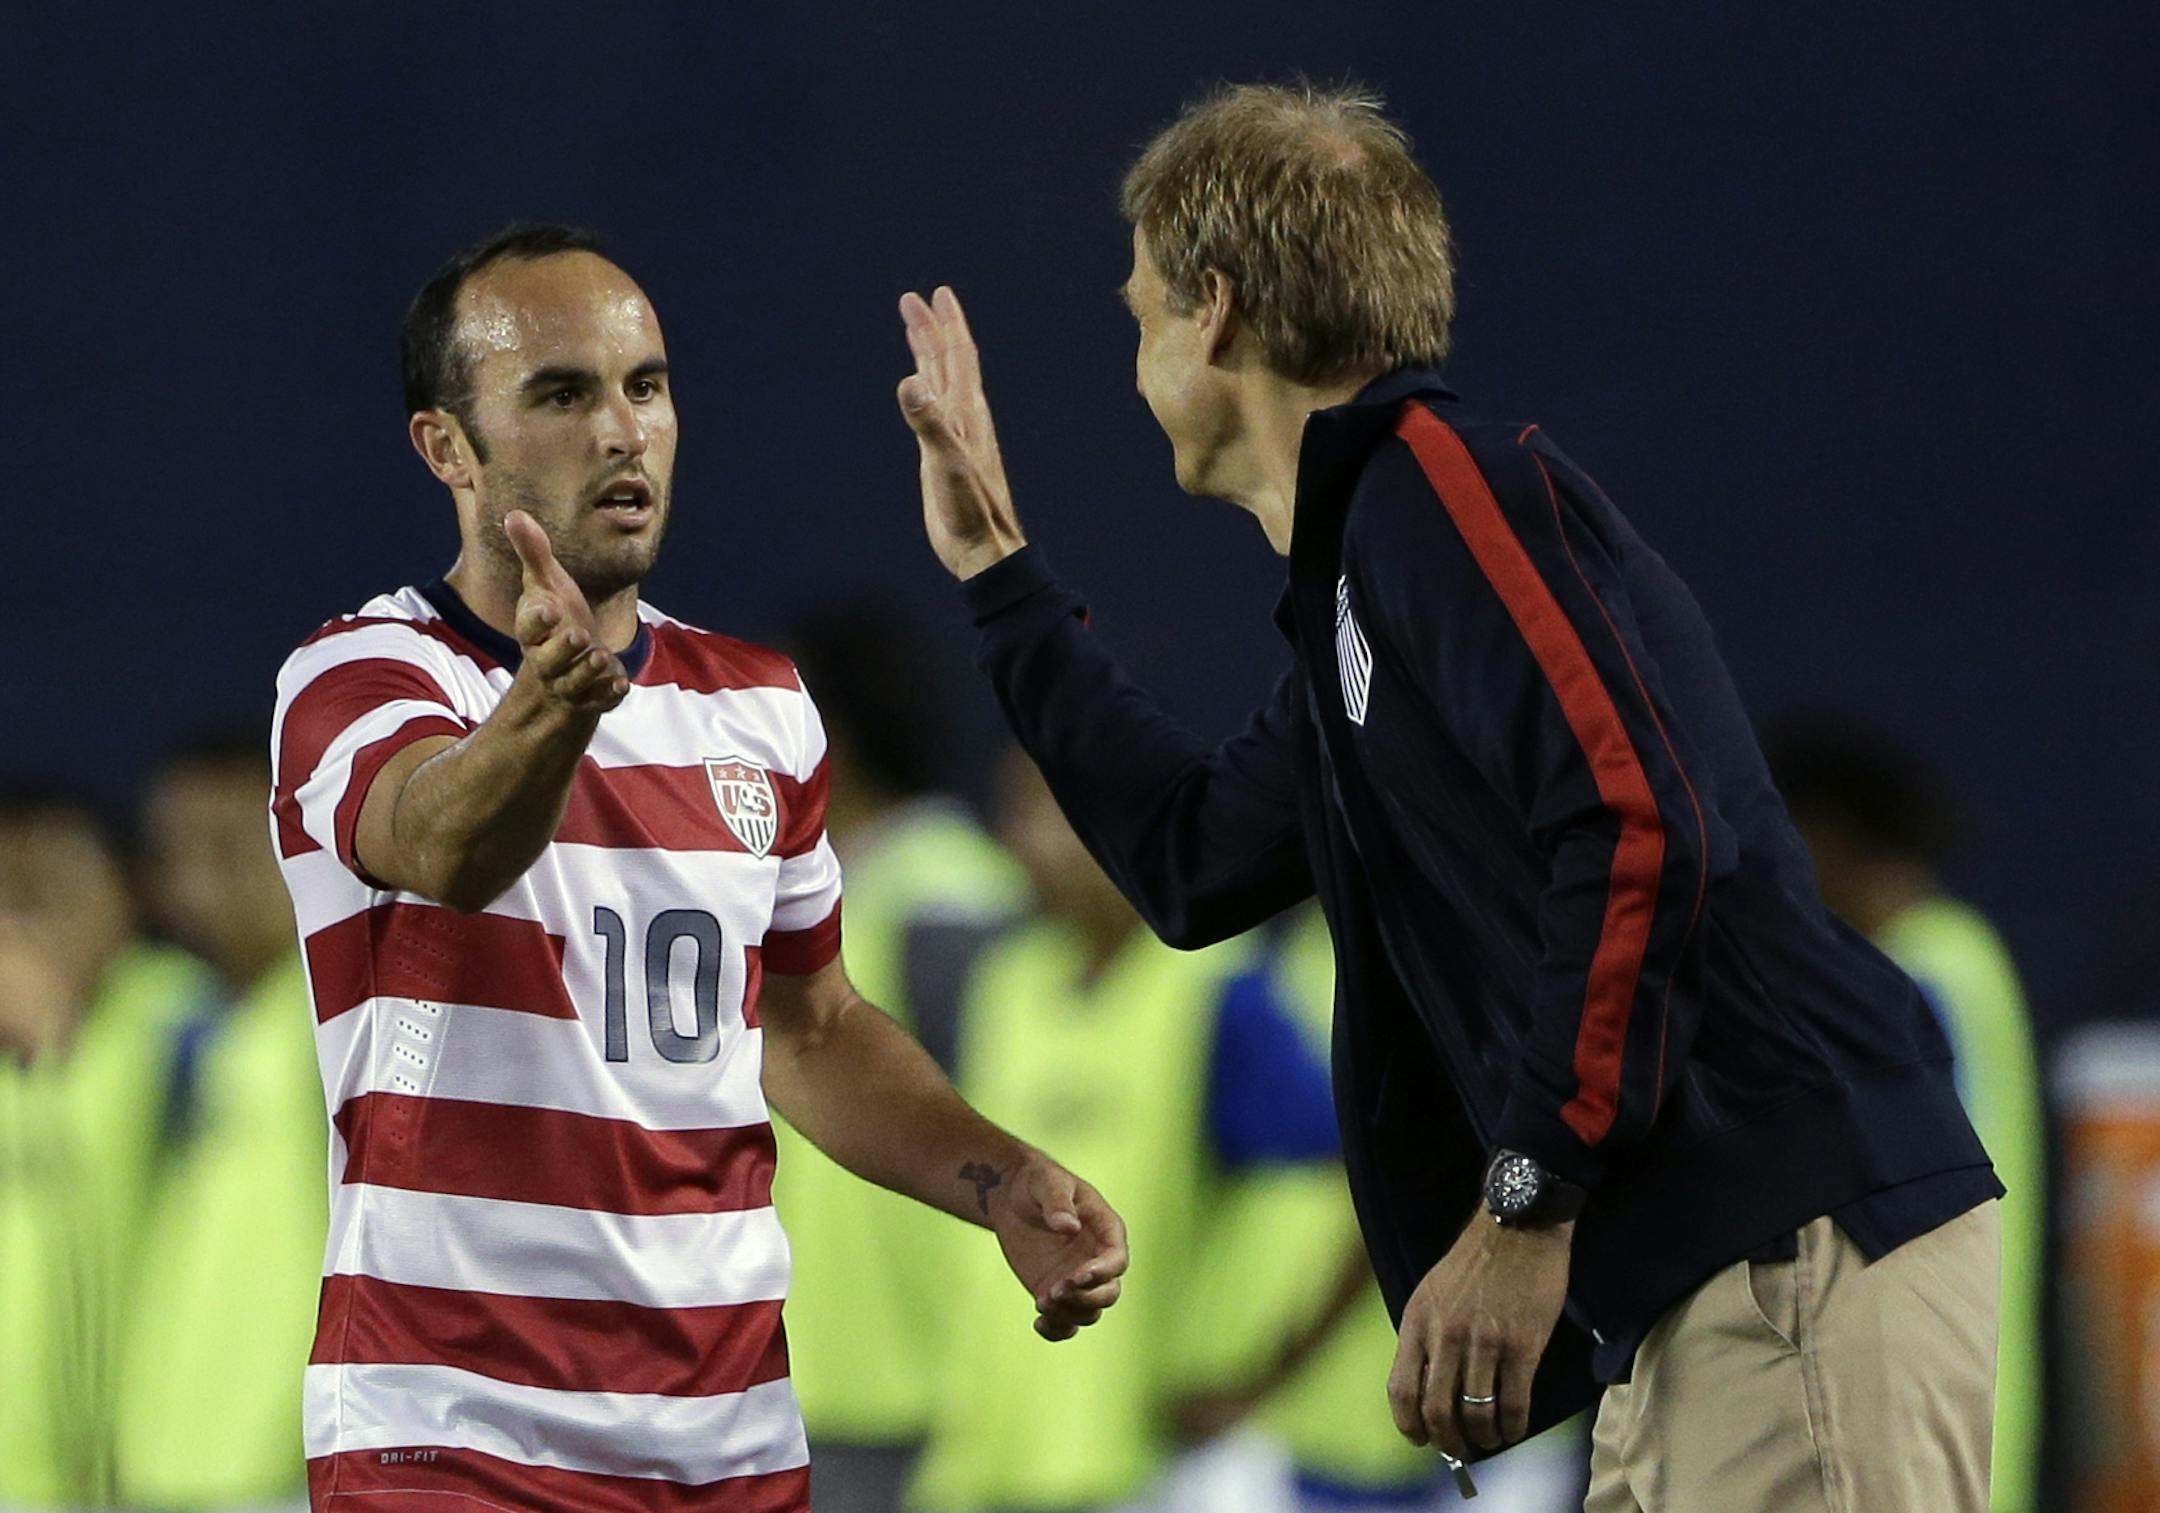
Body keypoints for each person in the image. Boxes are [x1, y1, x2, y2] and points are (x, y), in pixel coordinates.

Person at [894, 82, 2002, 1510]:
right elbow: (1191, 859)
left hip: (1790, 1257)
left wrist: (1523, 1202)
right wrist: (1001, 580)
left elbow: (1639, 823)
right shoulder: (1370, 581)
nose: (1136, 360)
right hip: (1702, 1297)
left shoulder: (1436, 490)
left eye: (1140, 315)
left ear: (1216, 312)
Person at [269, 223, 1127, 1511]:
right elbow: (444, 844)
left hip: (725, 1448)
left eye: (647, 386)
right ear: (444, 445)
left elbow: (813, 1026)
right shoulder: (362, 677)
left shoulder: (761, 705)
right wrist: (549, 705)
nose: (623, 430)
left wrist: (997, 1182)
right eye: (561, 393)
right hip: (449, 1440)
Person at [912, 750, 1349, 1513]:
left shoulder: (1218, 994)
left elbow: (1370, 1177)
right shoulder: (1006, 980)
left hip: (1156, 1473)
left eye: (1051, 811)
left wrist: (1265, 1376)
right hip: (989, 1463)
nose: (1025, 840)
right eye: (1016, 811)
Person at [770, 606, 1024, 1512]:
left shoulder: (948, 897)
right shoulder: (814, 891)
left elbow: (1025, 1129)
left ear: (825, 734)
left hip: (926, 1398)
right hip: (814, 1378)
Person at [1766, 715, 2046, 1513]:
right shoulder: (1963, 956)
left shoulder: (1910, 982)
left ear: (1824, 835)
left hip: (1916, 1414)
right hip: (1961, 1401)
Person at [113, 727, 326, 1509]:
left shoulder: (336, 1023)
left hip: (285, 1477)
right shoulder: (175, 1020)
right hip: (162, 1475)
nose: (198, 889)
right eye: (174, 857)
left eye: (230, 851)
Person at [0, 783, 213, 1507]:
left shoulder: (177, 1012)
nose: (17, 928)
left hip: (135, 1481)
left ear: (126, 897)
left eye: (43, 892)